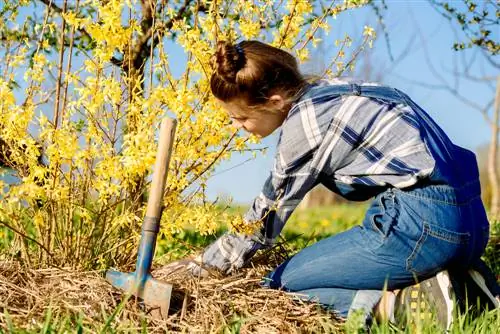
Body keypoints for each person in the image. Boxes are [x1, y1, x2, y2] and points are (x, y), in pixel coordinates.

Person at [174, 40, 500, 329]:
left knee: (275, 285)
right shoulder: (339, 90)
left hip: (422, 226)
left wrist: (205, 265)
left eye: (242, 118)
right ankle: (462, 285)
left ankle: (396, 309)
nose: (238, 127)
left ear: (274, 101)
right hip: (471, 223)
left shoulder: (306, 123)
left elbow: (265, 219)